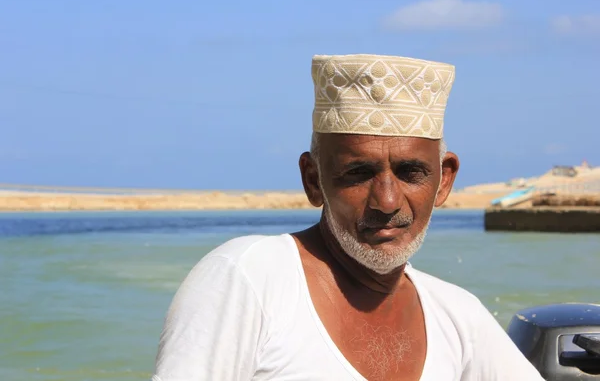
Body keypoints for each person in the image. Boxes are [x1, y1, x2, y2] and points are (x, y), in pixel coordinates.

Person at [151, 54, 544, 380]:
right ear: (313, 180)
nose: (387, 202)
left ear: (444, 181)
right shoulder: (247, 279)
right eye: (359, 173)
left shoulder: (458, 315)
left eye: (410, 173)